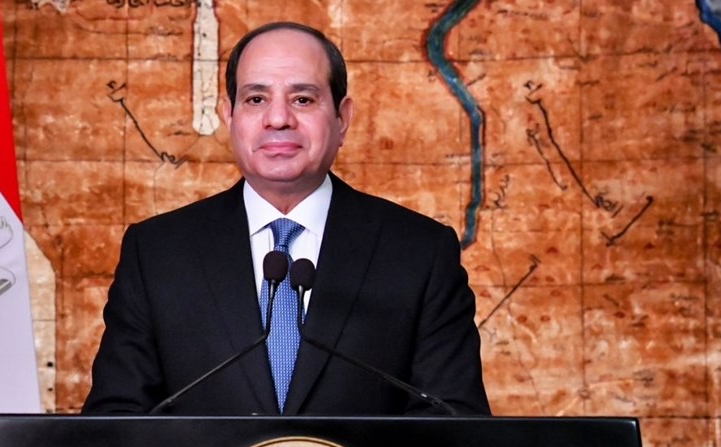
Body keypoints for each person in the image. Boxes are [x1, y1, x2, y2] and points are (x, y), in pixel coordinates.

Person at [82, 22, 489, 416]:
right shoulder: (157, 253)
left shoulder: (419, 253)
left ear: (342, 118)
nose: (278, 119)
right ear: (229, 115)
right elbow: (114, 424)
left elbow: (454, 426)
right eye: (256, 99)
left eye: (303, 99)